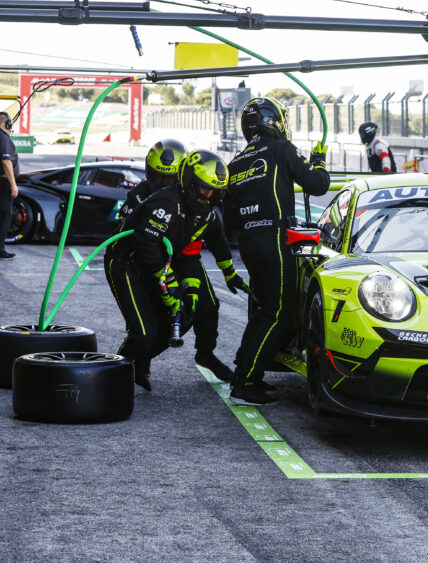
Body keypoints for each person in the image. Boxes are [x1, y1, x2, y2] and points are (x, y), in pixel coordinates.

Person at [105, 149, 238, 391]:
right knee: (143, 333)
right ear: (190, 182)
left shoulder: (205, 212)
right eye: (205, 188)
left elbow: (191, 253)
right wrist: (169, 282)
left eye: (214, 190)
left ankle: (142, 360)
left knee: (188, 313)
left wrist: (193, 286)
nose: (209, 195)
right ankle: (108, 379)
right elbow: (146, 244)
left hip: (159, 263)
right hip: (127, 265)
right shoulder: (165, 202)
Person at [227, 96, 330, 405]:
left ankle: (243, 370)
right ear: (275, 121)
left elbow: (228, 221)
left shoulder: (235, 162)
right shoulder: (282, 148)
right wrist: (319, 160)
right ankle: (245, 380)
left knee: (264, 309)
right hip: (273, 239)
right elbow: (318, 184)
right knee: (281, 311)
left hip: (248, 243)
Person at [0, 111, 20, 261]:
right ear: (7, 124)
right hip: (3, 184)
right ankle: (0, 250)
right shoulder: (3, 138)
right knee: (4, 217)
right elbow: (6, 162)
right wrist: (13, 185)